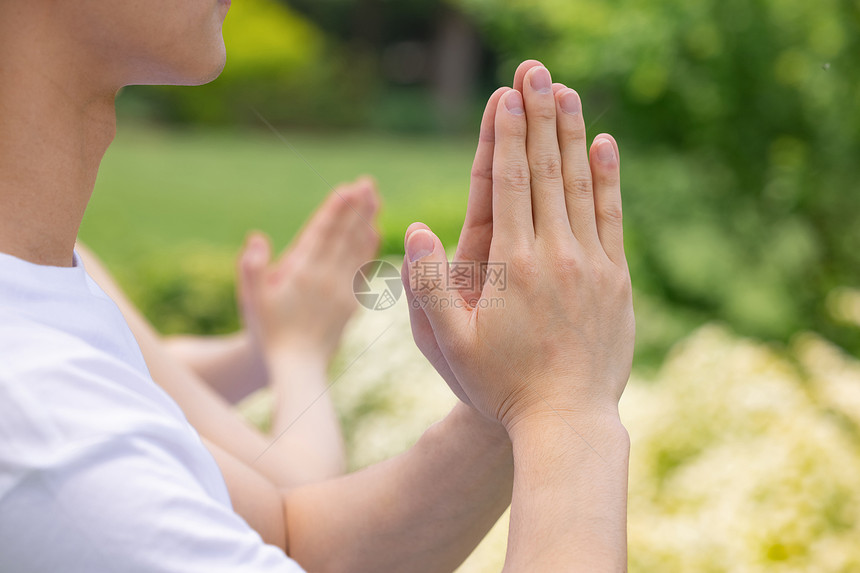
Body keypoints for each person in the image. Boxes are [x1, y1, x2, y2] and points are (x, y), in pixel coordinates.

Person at [0, 2, 634, 572]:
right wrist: (568, 413)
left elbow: (287, 539)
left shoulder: (41, 306)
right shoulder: (38, 429)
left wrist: (512, 399)